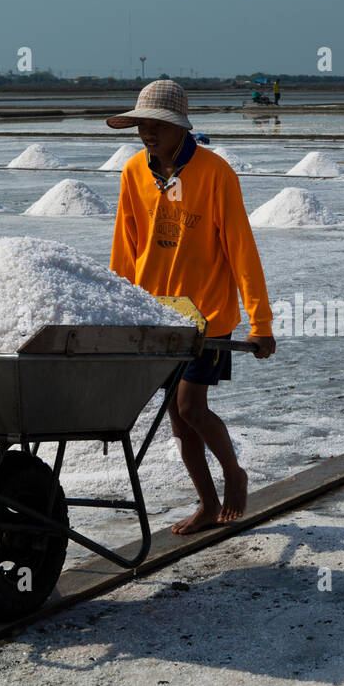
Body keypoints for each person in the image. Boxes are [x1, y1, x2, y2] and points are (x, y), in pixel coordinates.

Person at [107, 80, 276, 534]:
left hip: (207, 317)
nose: (147, 132)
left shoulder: (215, 172)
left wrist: (261, 321)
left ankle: (234, 474)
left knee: (191, 406)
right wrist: (119, 310)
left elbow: (241, 249)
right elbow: (126, 248)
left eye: (157, 125)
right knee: (180, 426)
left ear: (180, 127)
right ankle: (206, 504)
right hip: (157, 316)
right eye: (141, 124)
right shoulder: (133, 174)